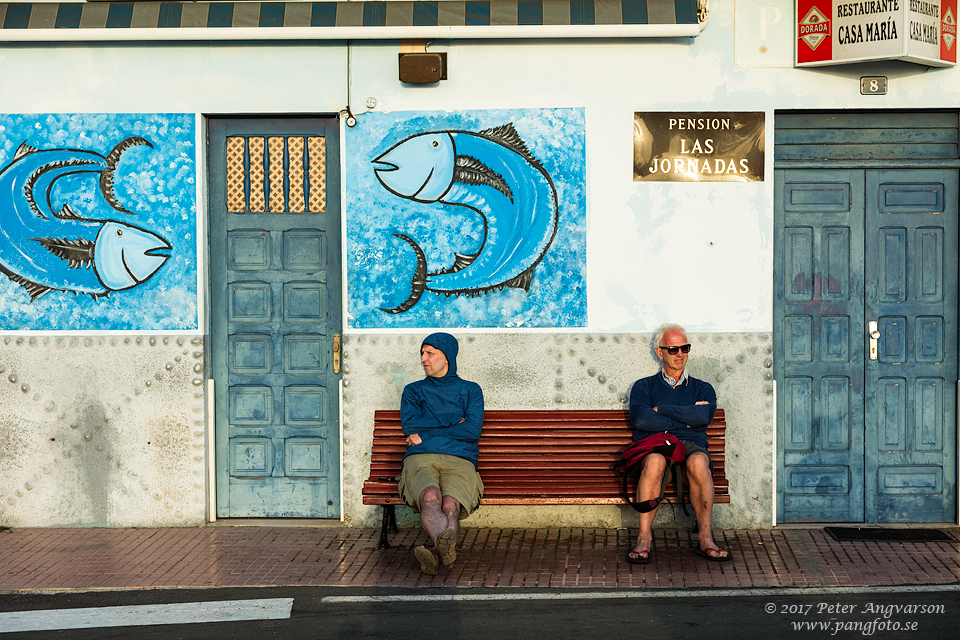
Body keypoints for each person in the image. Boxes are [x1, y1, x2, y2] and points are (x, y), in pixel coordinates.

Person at [626, 323, 730, 563]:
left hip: (692, 448)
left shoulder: (703, 388)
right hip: (658, 447)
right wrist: (686, 418)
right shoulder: (644, 386)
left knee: (698, 462)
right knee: (653, 461)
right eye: (673, 349)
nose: (680, 354)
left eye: (684, 348)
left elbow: (703, 417)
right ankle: (644, 538)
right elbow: (641, 419)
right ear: (659, 352)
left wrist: (661, 410)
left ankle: (705, 538)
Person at [398, 332, 484, 575]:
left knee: (450, 503)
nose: (423, 359)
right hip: (421, 459)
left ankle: (435, 550)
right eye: (422, 354)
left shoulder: (470, 390)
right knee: (431, 497)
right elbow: (410, 428)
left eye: (429, 353)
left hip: (460, 459)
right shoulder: (413, 391)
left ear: (446, 357)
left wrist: (427, 434)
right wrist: (452, 420)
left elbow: (471, 430)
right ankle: (442, 548)